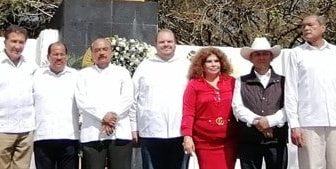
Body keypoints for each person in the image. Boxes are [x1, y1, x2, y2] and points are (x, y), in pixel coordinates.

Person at [283, 14, 336, 169]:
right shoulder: (296, 53)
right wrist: (295, 124)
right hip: (308, 123)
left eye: (311, 25)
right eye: (303, 26)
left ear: (323, 28)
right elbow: (290, 91)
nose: (306, 28)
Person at [0, 25, 38, 169]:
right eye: (13, 41)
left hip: (25, 130)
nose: (17, 46)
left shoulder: (31, 66)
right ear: (5, 42)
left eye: (21, 42)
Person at [130, 29, 190, 169]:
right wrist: (134, 127)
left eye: (169, 41)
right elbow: (133, 98)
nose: (166, 45)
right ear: (155, 44)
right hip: (151, 132)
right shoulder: (144, 67)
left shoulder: (186, 66)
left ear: (175, 43)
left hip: (179, 132)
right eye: (162, 42)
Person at [75, 38, 134, 169]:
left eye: (104, 49)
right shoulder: (84, 75)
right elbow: (81, 100)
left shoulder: (122, 73)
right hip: (93, 134)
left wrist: (112, 116)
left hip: (119, 133)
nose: (101, 53)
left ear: (111, 52)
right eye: (97, 50)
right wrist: (103, 116)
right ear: (92, 54)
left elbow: (128, 98)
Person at [232, 37, 288, 169]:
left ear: (271, 57)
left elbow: (289, 106)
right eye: (257, 54)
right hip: (249, 139)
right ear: (251, 58)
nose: (261, 57)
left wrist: (270, 121)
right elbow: (237, 107)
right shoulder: (241, 81)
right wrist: (257, 122)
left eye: (265, 53)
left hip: (276, 139)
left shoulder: (284, 81)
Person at [181, 47, 238, 169]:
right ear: (202, 64)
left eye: (216, 61)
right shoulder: (194, 85)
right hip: (204, 143)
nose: (213, 64)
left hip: (229, 142)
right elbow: (188, 112)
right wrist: (187, 137)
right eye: (209, 61)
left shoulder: (232, 82)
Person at [33, 42, 80, 169]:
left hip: (69, 137)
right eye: (55, 54)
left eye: (62, 54)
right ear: (48, 57)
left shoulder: (76, 76)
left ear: (66, 57)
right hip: (43, 136)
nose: (59, 58)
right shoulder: (37, 76)